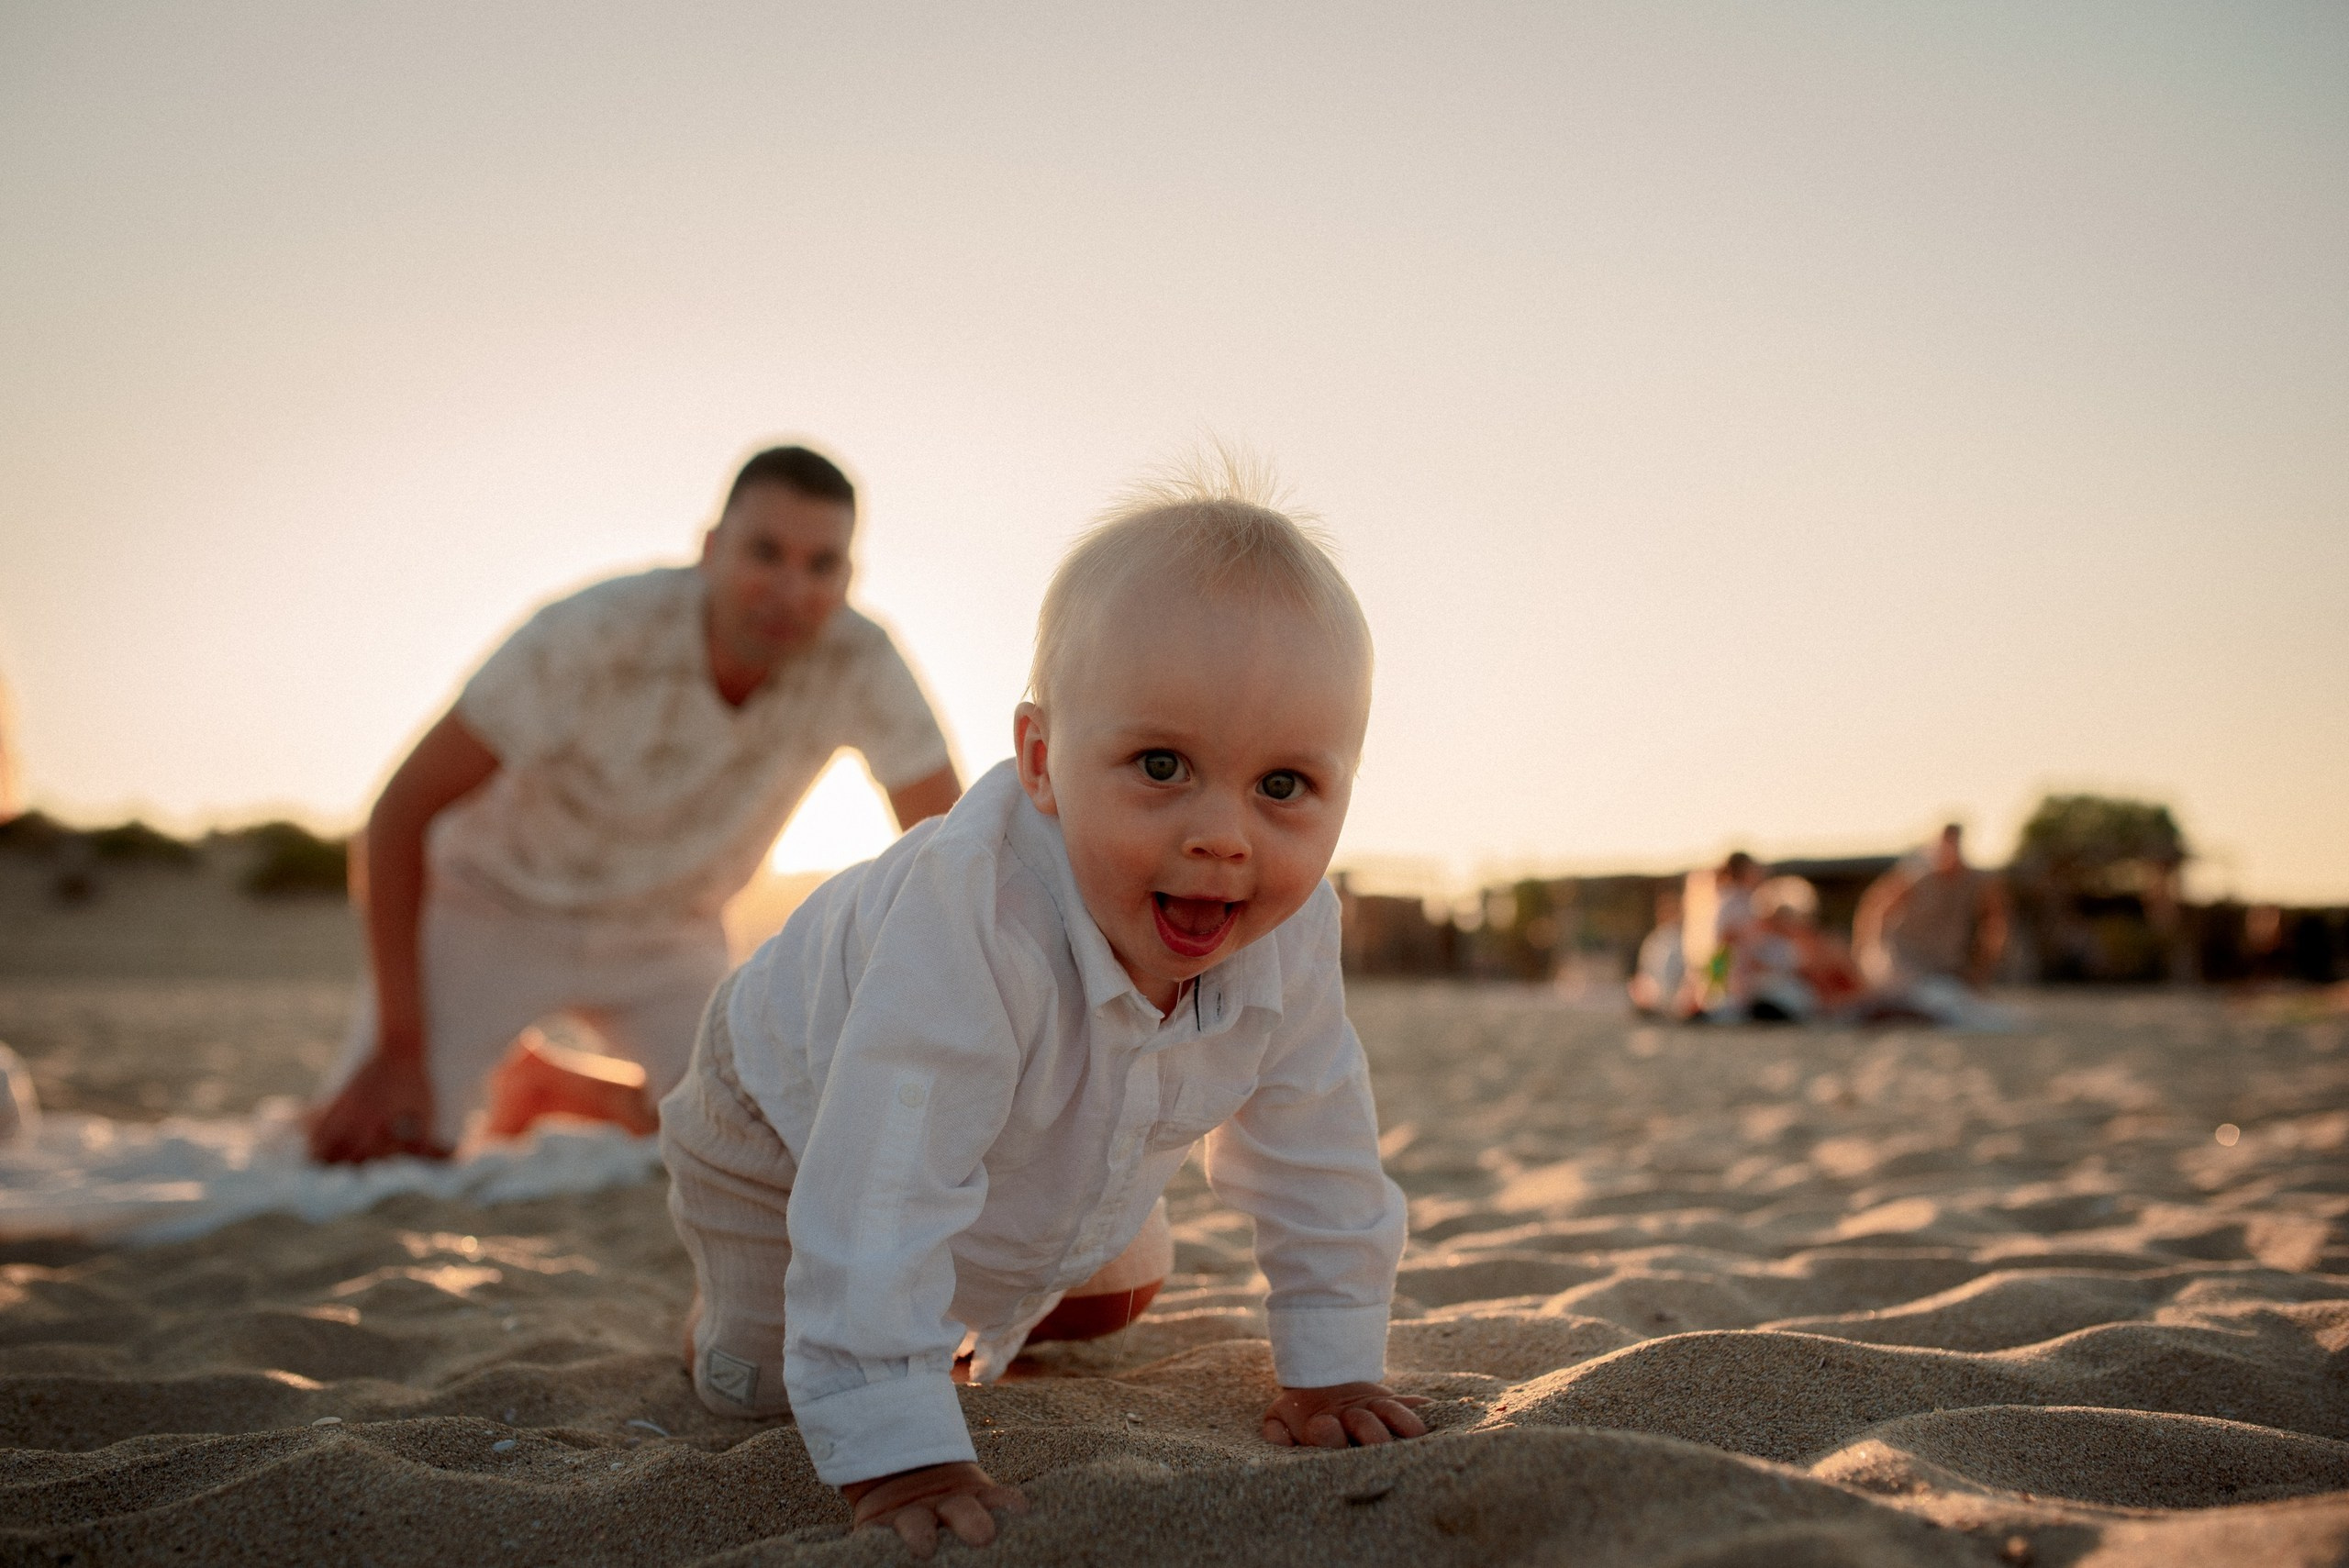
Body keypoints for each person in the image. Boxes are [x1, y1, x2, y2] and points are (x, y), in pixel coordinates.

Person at [660, 463, 1426, 1558]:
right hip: (778, 1122)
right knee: (764, 1386)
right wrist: (902, 1445)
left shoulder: (1293, 929)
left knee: (1113, 1294)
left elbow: (1318, 1143)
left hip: (1011, 1138)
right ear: (1041, 760)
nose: (1224, 835)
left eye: (1284, 785)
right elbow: (885, 1181)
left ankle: (983, 1304)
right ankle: (724, 1319)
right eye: (1162, 764)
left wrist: (1332, 1363)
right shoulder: (976, 918)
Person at [306, 446, 962, 1164]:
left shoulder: (862, 659)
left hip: (670, 936)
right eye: (765, 552)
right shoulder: (594, 631)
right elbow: (401, 808)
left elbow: (949, 853)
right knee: (380, 1144)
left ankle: (564, 1090)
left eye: (821, 565)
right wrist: (401, 1046)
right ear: (711, 550)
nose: (789, 589)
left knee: (775, 1147)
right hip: (498, 903)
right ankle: (437, 1070)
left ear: (848, 578)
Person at [1854, 824, 2015, 1029]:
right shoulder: (1914, 875)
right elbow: (1876, 909)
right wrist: (1867, 953)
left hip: (1943, 966)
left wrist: (1983, 966)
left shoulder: (1979, 881)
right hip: (1904, 963)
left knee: (1953, 1000)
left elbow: (1996, 924)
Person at [1629, 885, 1685, 1016]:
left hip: (1678, 999)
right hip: (1655, 998)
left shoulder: (1684, 939)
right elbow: (1644, 973)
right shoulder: (1654, 941)